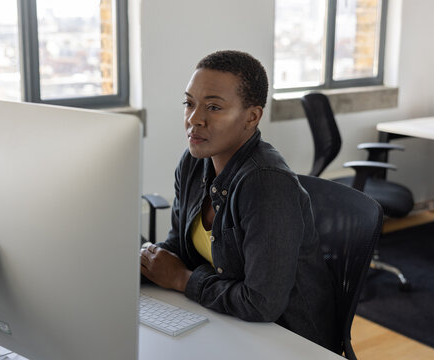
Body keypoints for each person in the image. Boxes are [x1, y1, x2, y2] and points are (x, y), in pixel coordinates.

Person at [140, 50, 340, 353]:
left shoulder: (266, 183)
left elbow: (261, 304)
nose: (194, 119)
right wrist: (141, 263)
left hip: (289, 340)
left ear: (252, 117)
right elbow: (180, 248)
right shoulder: (195, 162)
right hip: (226, 321)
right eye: (189, 104)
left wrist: (181, 279)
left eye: (214, 107)